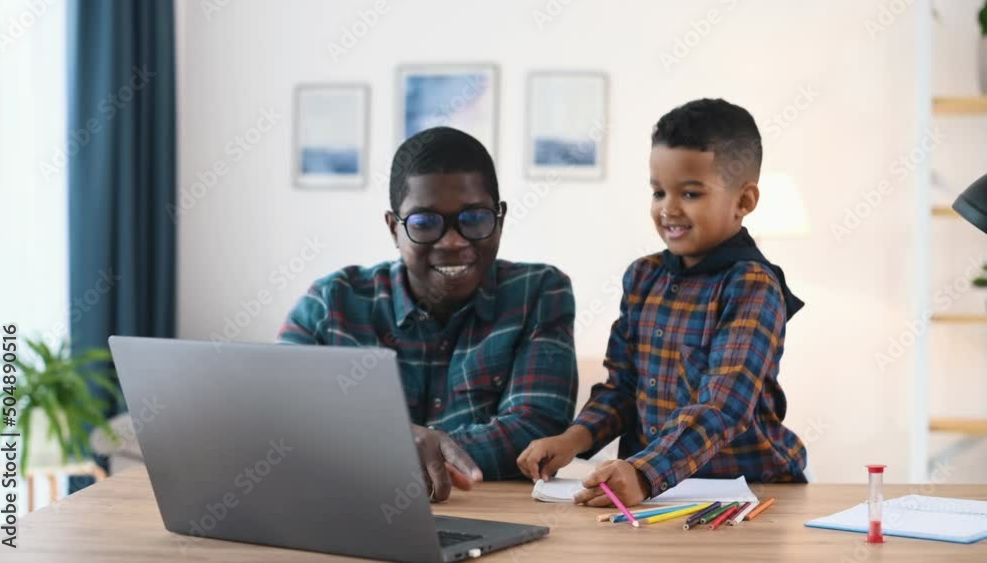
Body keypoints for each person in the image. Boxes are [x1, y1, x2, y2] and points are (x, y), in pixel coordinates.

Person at [517, 98, 808, 507]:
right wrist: (573, 439)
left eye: (690, 193)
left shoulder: (752, 286)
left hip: (748, 495)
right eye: (658, 191)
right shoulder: (642, 277)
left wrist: (643, 472)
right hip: (654, 495)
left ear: (744, 201)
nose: (668, 208)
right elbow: (622, 388)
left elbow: (723, 405)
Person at [278, 127, 578, 502]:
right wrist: (397, 443)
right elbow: (280, 418)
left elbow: (535, 426)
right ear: (394, 228)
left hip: (496, 519)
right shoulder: (331, 303)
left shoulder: (540, 291)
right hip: (353, 510)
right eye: (423, 223)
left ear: (499, 219)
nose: (453, 241)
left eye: (475, 218)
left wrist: (382, 447)